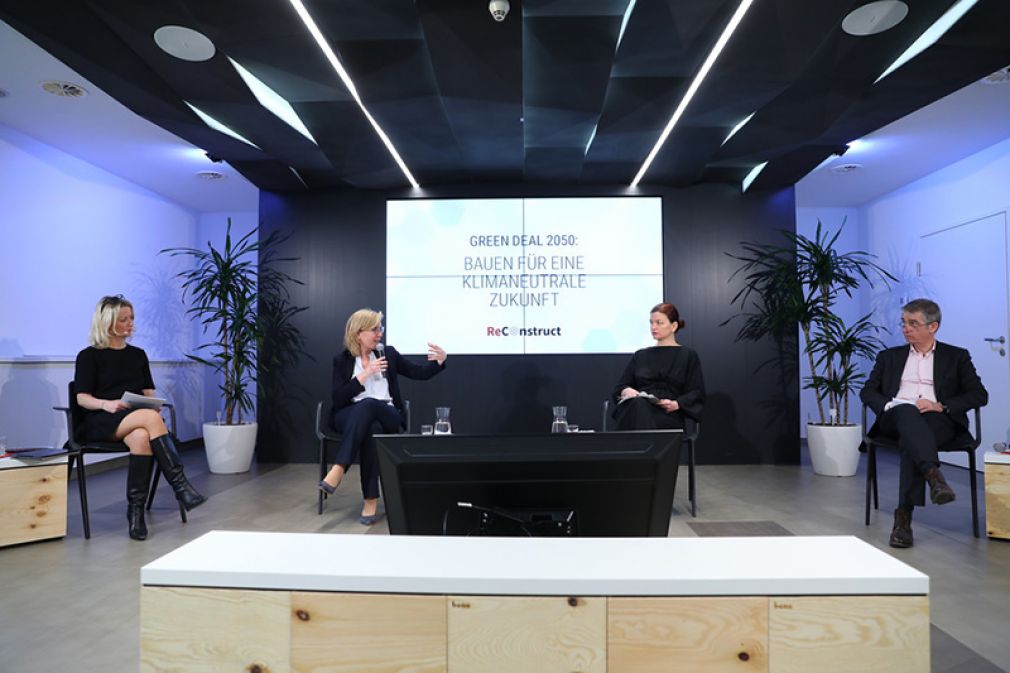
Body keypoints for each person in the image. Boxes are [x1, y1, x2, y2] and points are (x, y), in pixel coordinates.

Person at [74, 295, 206, 540]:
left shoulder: (138, 355)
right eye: (123, 319)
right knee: (147, 421)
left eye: (131, 318)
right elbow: (82, 398)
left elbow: (149, 393)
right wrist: (107, 404)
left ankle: (135, 514)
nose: (130, 323)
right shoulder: (88, 356)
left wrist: (152, 407)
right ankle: (181, 487)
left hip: (135, 419)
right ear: (107, 322)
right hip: (101, 420)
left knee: (142, 437)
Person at [860, 298, 988, 549]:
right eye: (904, 323)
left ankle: (903, 519)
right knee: (907, 413)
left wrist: (942, 406)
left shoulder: (956, 357)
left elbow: (978, 395)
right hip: (894, 418)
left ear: (933, 327)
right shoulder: (889, 357)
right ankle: (934, 477)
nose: (905, 328)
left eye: (913, 323)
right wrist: (889, 405)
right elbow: (868, 392)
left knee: (914, 441)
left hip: (938, 419)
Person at [319, 308, 447, 524]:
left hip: (388, 414)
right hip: (351, 415)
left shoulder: (388, 353)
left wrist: (440, 361)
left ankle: (339, 468)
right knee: (371, 429)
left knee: (370, 405)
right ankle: (370, 499)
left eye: (381, 328)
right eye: (374, 329)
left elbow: (418, 372)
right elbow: (338, 398)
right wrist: (365, 374)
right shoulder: (342, 360)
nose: (379, 334)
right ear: (358, 333)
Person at [612, 302, 704, 430]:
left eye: (659, 323)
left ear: (673, 326)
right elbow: (620, 387)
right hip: (637, 409)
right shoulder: (640, 355)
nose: (653, 327)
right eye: (651, 323)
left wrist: (677, 404)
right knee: (637, 405)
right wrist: (626, 390)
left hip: (668, 414)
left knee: (637, 412)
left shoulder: (687, 355)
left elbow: (696, 392)